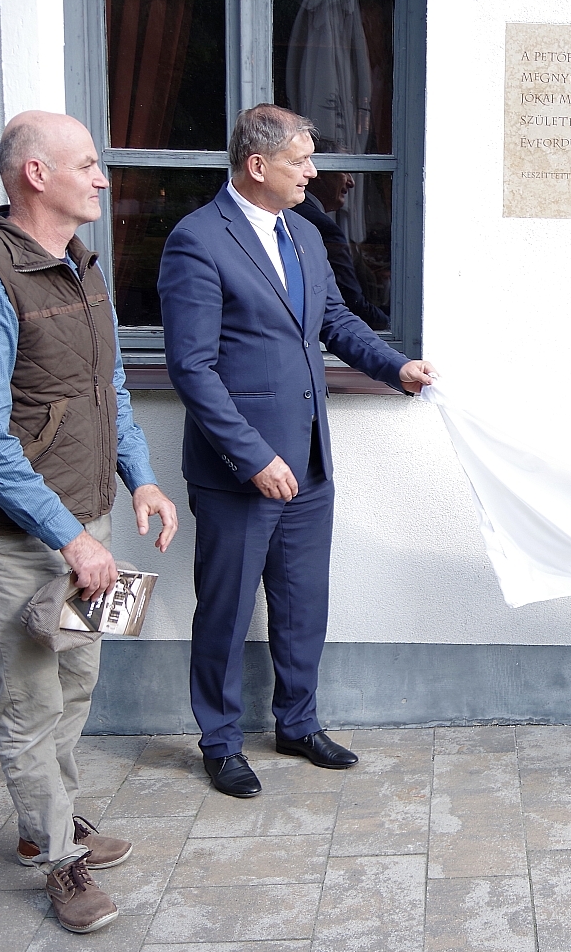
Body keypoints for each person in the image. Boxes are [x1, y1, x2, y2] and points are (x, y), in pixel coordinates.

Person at [0, 111, 179, 934]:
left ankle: (52, 822)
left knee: (73, 682)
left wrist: (141, 479)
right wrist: (68, 537)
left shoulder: (81, 265)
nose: (103, 177)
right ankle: (58, 861)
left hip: (82, 524)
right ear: (36, 174)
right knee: (30, 701)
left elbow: (108, 392)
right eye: (88, 164)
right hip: (10, 539)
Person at [159, 105, 436, 799]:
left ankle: (298, 723)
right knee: (225, 610)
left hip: (309, 460)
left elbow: (335, 319)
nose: (314, 172)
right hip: (239, 471)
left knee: (302, 603)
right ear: (258, 166)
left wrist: (394, 366)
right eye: (300, 160)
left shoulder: (305, 232)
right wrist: (252, 458)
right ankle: (221, 743)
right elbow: (192, 368)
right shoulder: (197, 240)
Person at [293, 139, 390, 330]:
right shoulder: (321, 226)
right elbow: (351, 304)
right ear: (319, 173)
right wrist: (390, 325)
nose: (351, 182)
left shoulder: (298, 213)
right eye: (344, 171)